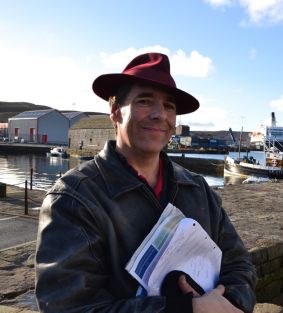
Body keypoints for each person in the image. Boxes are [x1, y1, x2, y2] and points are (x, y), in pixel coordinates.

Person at [35, 52, 257, 313]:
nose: (159, 115)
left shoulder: (198, 189)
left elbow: (240, 266)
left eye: (169, 106)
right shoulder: (74, 199)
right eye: (145, 101)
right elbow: (67, 307)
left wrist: (228, 302)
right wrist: (186, 309)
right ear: (116, 111)